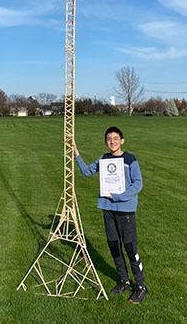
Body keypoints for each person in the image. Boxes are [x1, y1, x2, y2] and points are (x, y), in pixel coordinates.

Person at [74, 126, 148, 304]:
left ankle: (140, 286)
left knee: (130, 248)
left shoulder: (130, 159)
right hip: (108, 209)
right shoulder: (104, 159)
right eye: (108, 139)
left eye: (115, 138)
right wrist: (76, 153)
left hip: (125, 210)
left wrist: (119, 197)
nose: (112, 141)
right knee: (114, 246)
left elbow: (138, 184)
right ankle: (124, 280)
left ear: (122, 140)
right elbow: (86, 172)